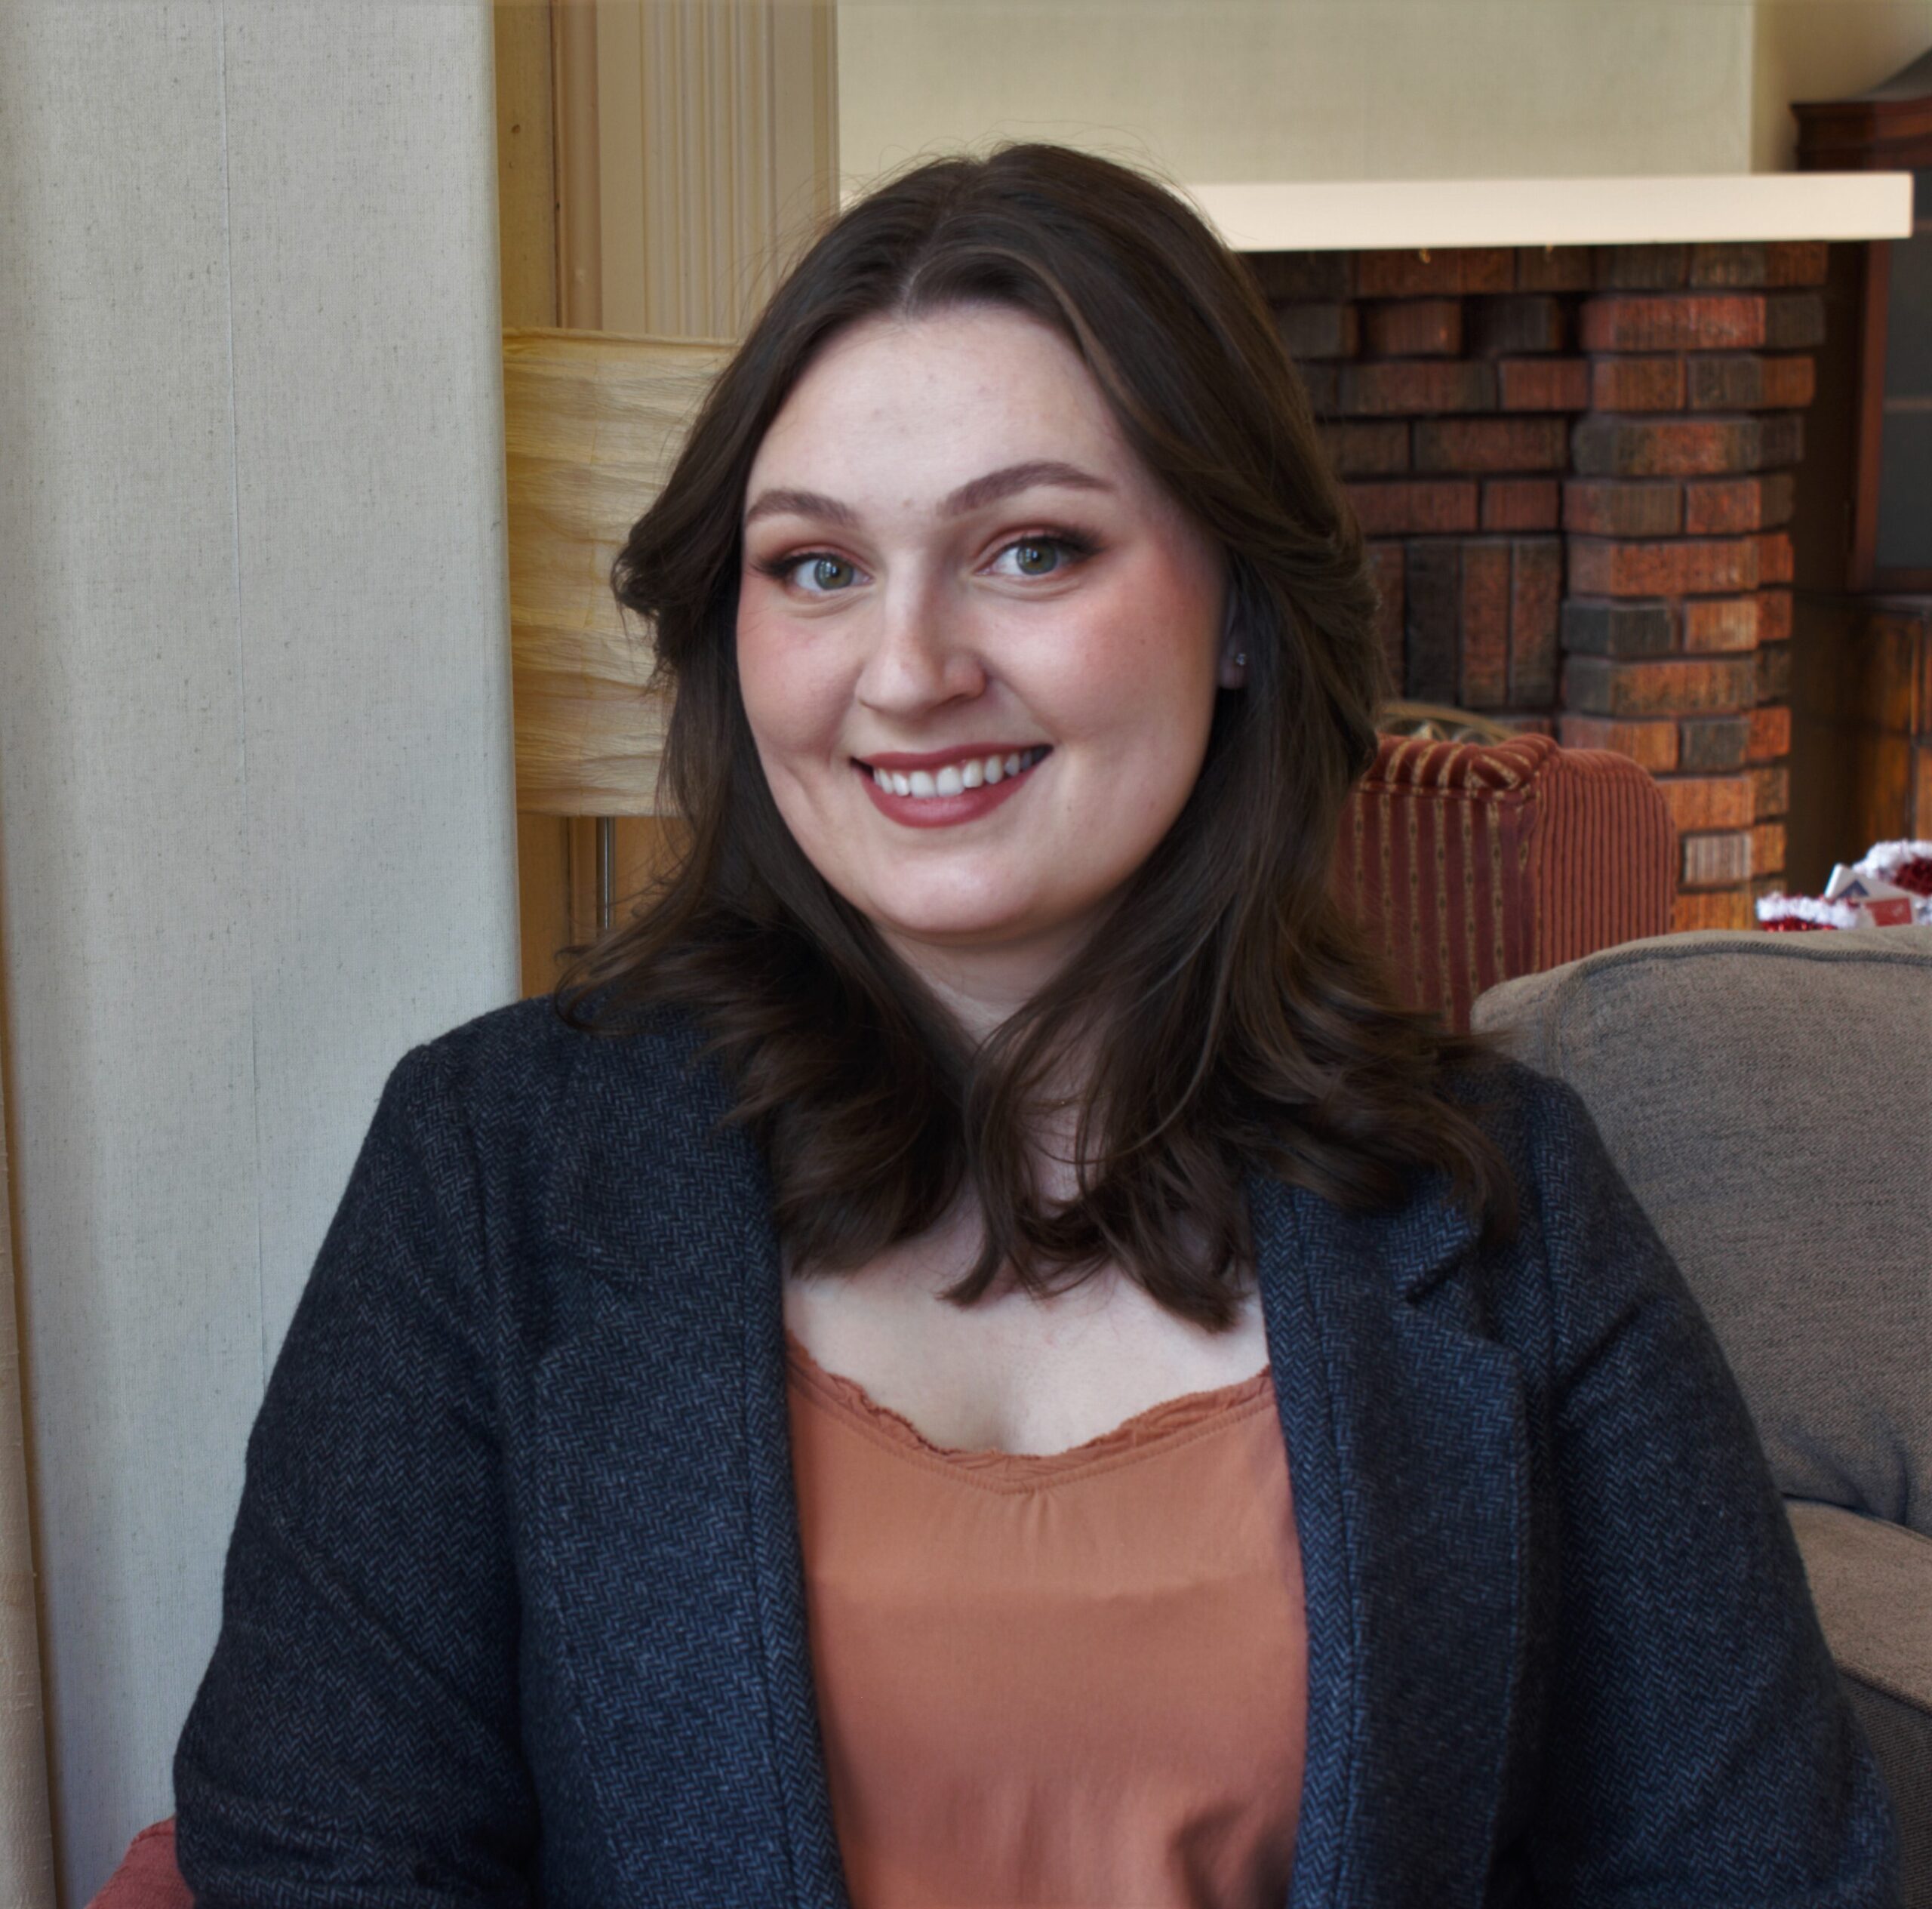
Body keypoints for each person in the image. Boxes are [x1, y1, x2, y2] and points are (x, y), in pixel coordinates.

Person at [172, 143, 1900, 1907]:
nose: (907, 666)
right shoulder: (491, 1166)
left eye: (1029, 548)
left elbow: (1759, 1867)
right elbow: (319, 1851)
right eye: (816, 567)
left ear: (1233, 607)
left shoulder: (1504, 1195)